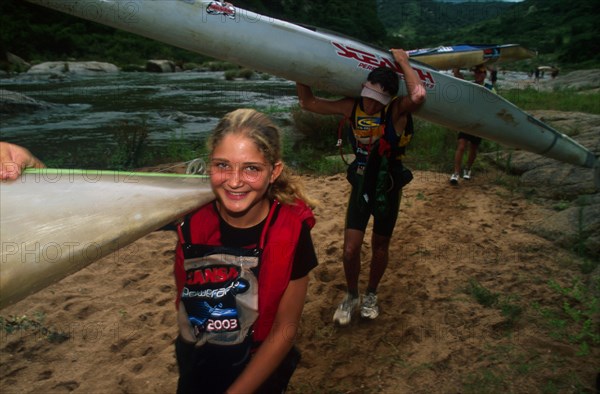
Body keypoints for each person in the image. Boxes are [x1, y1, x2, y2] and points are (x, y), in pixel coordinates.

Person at [173, 108, 319, 393]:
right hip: (200, 357)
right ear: (209, 165)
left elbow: (285, 330)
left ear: (273, 172)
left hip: (260, 366)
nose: (235, 180)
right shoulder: (191, 223)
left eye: (251, 168)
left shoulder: (292, 233)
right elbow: (184, 295)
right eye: (222, 165)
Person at [296, 48, 426, 326]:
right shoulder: (350, 106)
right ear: (364, 88)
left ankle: (371, 294)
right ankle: (352, 294)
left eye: (378, 100)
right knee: (350, 249)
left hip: (388, 185)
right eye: (368, 96)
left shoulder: (397, 111)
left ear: (389, 98)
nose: (370, 105)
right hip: (361, 181)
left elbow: (418, 96)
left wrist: (402, 61)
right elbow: (307, 103)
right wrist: (298, 68)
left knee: (380, 244)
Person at [449, 64, 494, 185]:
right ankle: (456, 173)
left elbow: (494, 103)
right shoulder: (471, 84)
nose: (478, 74)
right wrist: (456, 68)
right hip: (467, 120)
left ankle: (468, 169)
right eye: (477, 72)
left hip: (479, 122)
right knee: (461, 146)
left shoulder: (489, 88)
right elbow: (458, 78)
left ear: (485, 74)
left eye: (481, 73)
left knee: (473, 148)